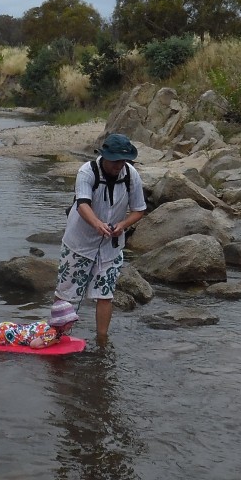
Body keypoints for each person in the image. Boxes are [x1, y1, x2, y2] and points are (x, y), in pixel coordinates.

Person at [58, 133, 147, 339]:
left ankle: (102, 340)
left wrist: (123, 225)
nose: (119, 165)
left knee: (105, 294)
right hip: (79, 243)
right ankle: (58, 335)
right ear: (104, 156)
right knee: (66, 294)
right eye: (115, 161)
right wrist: (97, 224)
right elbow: (82, 204)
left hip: (110, 247)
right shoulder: (87, 171)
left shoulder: (131, 175)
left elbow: (139, 209)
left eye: (123, 161)